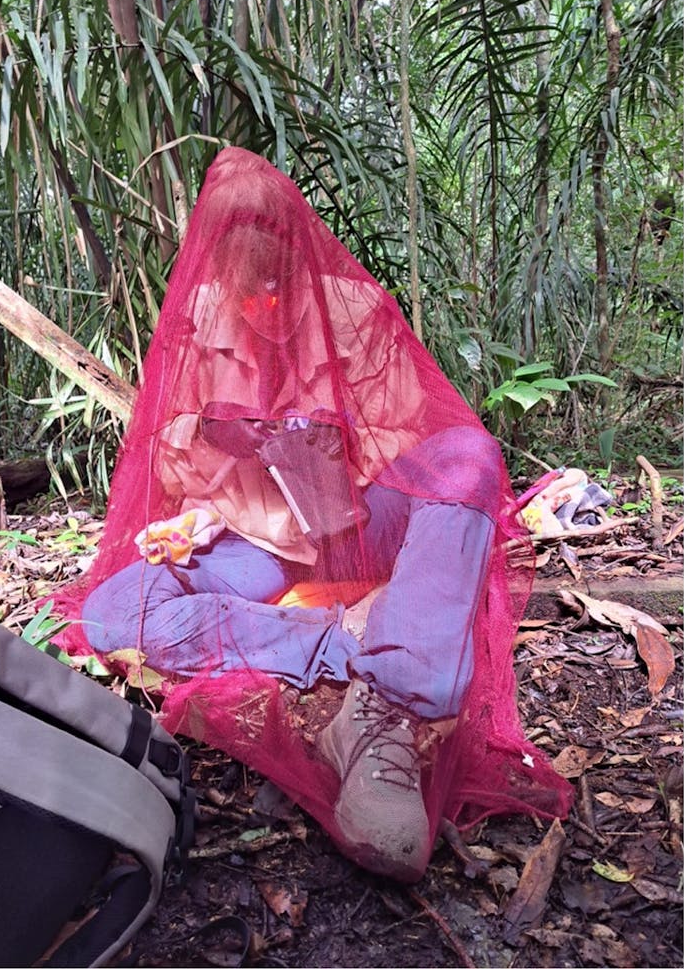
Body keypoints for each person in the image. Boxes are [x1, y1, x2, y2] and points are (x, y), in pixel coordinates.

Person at [59, 147, 572, 882]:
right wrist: (211, 467)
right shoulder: (196, 323)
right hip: (263, 542)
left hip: (361, 523)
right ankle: (343, 638)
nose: (262, 304)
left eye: (275, 281)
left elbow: (414, 439)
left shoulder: (354, 312)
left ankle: (391, 710)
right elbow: (177, 472)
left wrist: (334, 453)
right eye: (245, 288)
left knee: (470, 454)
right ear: (217, 276)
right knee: (115, 613)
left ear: (298, 254)